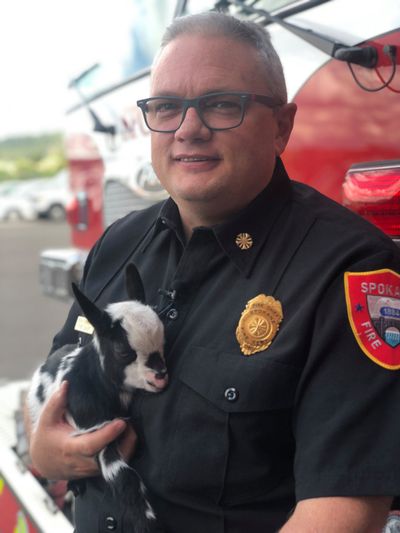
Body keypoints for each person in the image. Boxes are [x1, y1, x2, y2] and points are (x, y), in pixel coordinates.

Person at [28, 11, 400, 533]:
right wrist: (48, 450)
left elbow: (342, 512)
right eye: (166, 107)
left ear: (282, 126)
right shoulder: (118, 244)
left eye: (223, 104)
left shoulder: (350, 268)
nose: (189, 129)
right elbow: (57, 381)